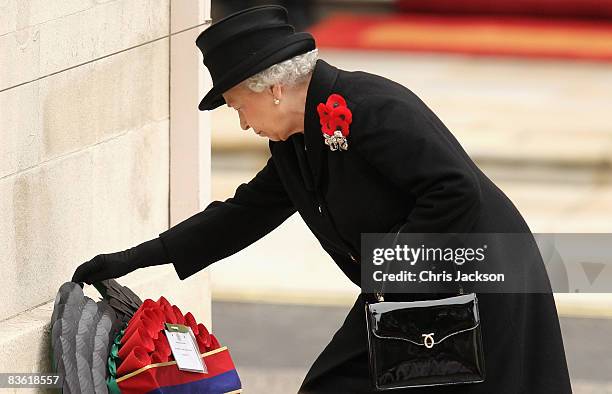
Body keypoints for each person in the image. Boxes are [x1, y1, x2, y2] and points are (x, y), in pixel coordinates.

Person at [72, 5, 572, 393]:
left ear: (268, 89)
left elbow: (454, 190)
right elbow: (243, 214)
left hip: (475, 281)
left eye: (236, 107)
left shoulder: (372, 106)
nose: (243, 122)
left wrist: (388, 273)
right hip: (409, 288)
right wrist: (139, 257)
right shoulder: (293, 142)